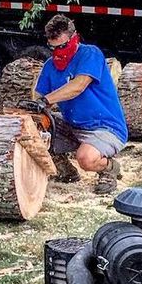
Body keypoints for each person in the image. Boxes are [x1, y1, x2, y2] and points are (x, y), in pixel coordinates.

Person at [33, 15, 128, 194]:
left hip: (105, 127)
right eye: (53, 48)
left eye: (62, 46)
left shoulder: (90, 54)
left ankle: (109, 168)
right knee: (34, 129)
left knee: (86, 158)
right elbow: (38, 96)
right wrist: (35, 109)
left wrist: (46, 100)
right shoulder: (49, 66)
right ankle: (65, 171)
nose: (58, 52)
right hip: (72, 124)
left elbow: (78, 86)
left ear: (74, 38)